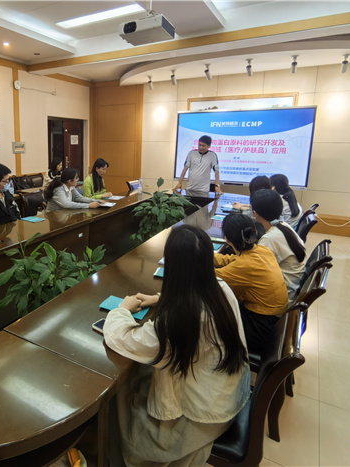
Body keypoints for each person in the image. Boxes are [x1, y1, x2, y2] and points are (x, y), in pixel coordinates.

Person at [103, 225, 250, 466]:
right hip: (226, 393)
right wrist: (158, 299)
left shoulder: (180, 320)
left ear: (173, 266)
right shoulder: (221, 287)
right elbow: (193, 293)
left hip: (200, 418)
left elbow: (121, 338)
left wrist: (122, 310)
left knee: (124, 398)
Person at [214, 213, 287, 355]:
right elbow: (232, 260)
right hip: (276, 322)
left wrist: (191, 257)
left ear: (227, 239)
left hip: (260, 329)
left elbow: (208, 276)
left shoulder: (244, 265)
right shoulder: (262, 250)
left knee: (212, 315)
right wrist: (206, 254)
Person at [251, 189, 307, 299]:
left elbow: (256, 274)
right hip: (291, 287)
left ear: (255, 213)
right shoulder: (284, 225)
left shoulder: (269, 239)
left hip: (281, 296)